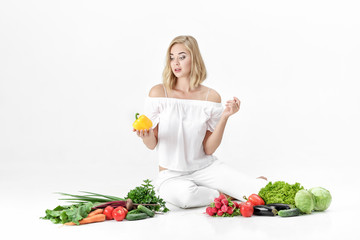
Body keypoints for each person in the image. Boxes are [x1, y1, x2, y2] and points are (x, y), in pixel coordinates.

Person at [133, 35, 266, 208]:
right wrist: (146, 136)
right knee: (186, 197)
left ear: (194, 59)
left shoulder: (210, 97)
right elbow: (152, 144)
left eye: (182, 57)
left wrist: (225, 116)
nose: (176, 63)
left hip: (205, 169)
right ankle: (226, 195)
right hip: (171, 175)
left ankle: (239, 187)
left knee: (260, 189)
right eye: (172, 57)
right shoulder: (159, 93)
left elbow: (209, 148)